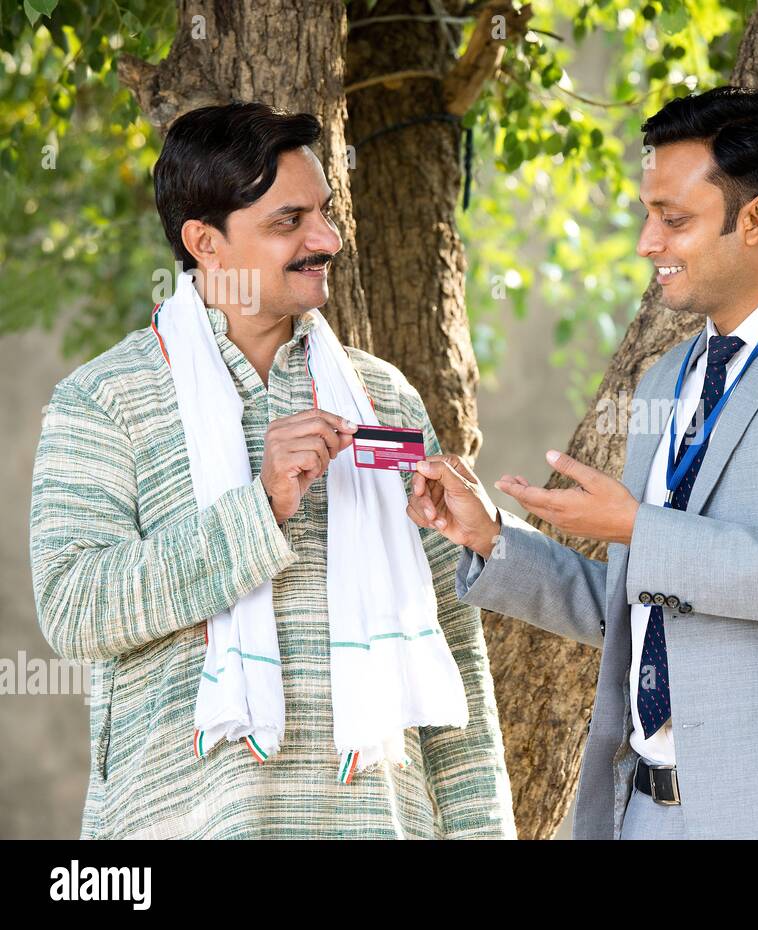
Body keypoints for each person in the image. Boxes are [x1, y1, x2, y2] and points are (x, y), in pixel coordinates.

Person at [412, 86, 758, 839]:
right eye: (649, 214)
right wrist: (493, 540)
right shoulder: (666, 379)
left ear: (755, 218)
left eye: (673, 218)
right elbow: (642, 607)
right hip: (646, 814)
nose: (646, 242)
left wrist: (640, 529)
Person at [29, 102, 513, 839]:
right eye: (289, 222)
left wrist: (483, 830)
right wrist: (259, 509)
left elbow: (452, 632)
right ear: (205, 243)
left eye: (323, 212)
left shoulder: (382, 398)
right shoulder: (107, 399)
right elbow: (74, 606)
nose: (326, 239)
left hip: (378, 820)